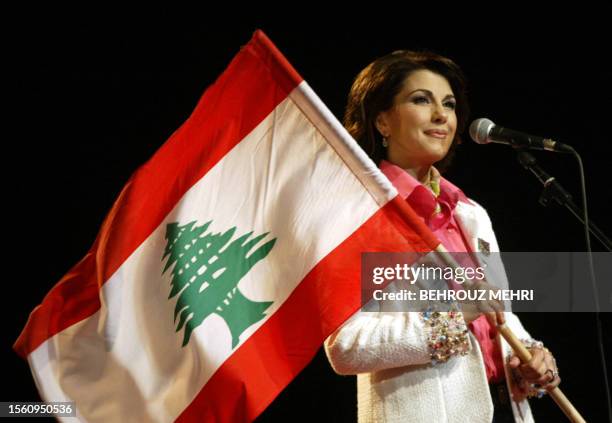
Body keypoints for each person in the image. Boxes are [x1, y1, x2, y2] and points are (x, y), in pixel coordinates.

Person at [324, 50, 561, 422]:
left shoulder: (470, 213)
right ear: (381, 120)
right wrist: (452, 318)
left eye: (448, 104)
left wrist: (528, 355)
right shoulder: (359, 216)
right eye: (421, 99)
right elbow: (346, 346)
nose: (441, 116)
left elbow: (497, 313)